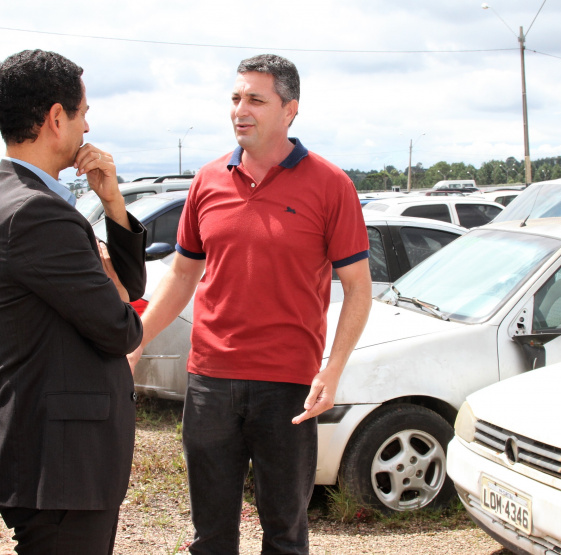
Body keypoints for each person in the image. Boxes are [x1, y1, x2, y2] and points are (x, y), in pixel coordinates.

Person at [129, 54, 372, 554]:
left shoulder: (332, 186)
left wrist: (334, 368)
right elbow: (181, 274)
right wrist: (135, 345)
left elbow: (358, 288)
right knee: (211, 535)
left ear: (290, 110)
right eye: (236, 99)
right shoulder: (208, 180)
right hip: (210, 382)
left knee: (285, 534)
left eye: (255, 100)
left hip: (288, 387)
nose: (241, 110)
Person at [0, 49, 146, 554]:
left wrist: (113, 203)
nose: (87, 126)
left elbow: (129, 290)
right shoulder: (37, 213)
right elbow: (122, 328)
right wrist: (109, 283)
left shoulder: (18, 194)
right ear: (56, 118)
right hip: (60, 464)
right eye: (83, 113)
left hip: (55, 459)